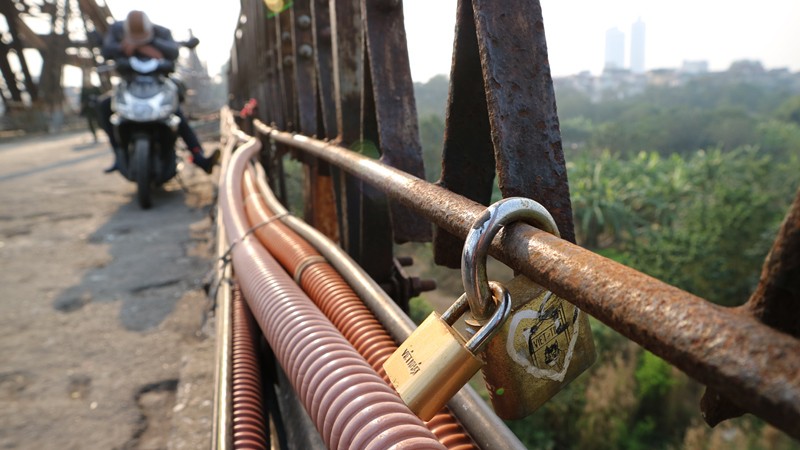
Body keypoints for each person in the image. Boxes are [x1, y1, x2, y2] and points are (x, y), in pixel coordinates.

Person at [97, 10, 219, 174]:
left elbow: (173, 51)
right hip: (130, 85)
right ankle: (119, 155)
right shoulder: (117, 30)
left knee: (176, 114)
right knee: (105, 106)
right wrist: (128, 47)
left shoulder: (161, 32)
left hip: (157, 86)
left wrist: (142, 45)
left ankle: (199, 157)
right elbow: (107, 50)